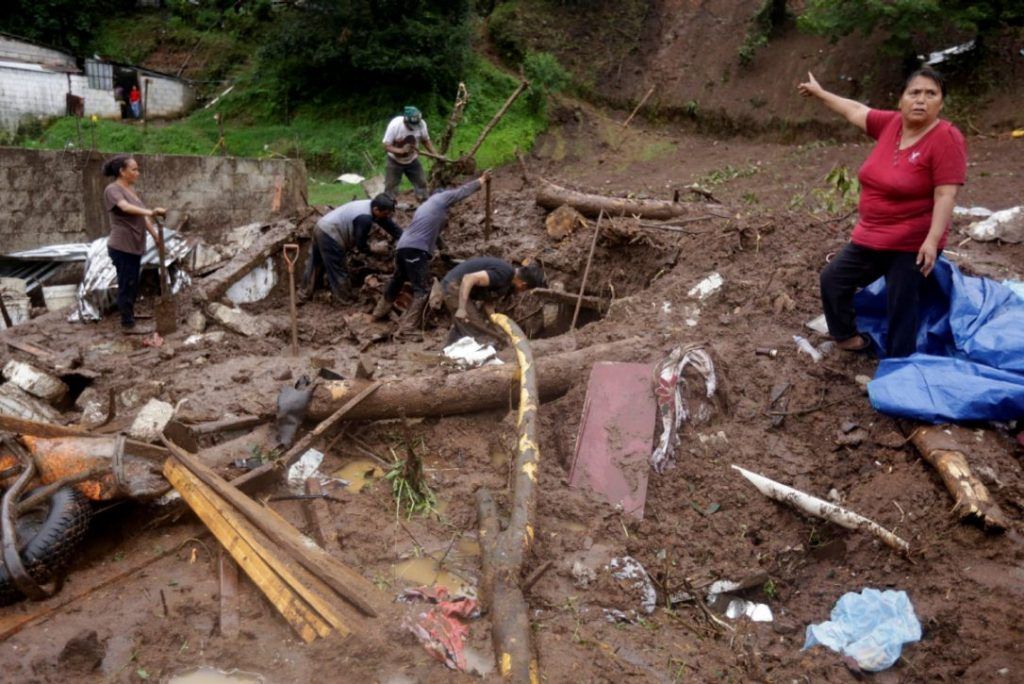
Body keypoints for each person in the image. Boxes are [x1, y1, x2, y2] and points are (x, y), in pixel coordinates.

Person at [797, 68, 966, 358]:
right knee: (833, 279)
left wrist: (932, 240)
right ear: (901, 99)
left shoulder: (946, 138)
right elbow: (855, 110)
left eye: (931, 94)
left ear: (941, 102)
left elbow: (945, 194)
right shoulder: (891, 124)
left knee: (901, 303)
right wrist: (821, 94)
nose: (921, 100)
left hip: (912, 242)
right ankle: (848, 338)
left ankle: (900, 367)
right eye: (914, 93)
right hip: (871, 234)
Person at [372, 171, 491, 338]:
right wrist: (481, 180)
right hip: (415, 250)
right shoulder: (440, 199)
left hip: (403, 247)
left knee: (397, 280)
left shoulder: (426, 209)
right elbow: (460, 193)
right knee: (422, 290)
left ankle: (379, 312)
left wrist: (445, 252)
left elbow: (434, 235)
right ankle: (408, 329)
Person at [102, 155, 166, 330]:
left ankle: (128, 314)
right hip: (122, 245)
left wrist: (155, 235)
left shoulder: (131, 190)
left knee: (132, 283)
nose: (137, 173)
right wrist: (151, 211)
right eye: (134, 169)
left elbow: (141, 216)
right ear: (122, 172)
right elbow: (125, 207)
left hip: (134, 245)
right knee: (127, 283)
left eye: (137, 169)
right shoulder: (112, 190)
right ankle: (127, 323)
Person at [301, 193, 401, 302]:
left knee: (315, 263)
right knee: (338, 268)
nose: (387, 216)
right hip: (330, 234)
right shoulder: (365, 218)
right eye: (386, 213)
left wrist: (404, 237)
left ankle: (304, 293)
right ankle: (345, 298)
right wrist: (374, 250)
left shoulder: (371, 205)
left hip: (321, 226)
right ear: (376, 210)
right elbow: (360, 244)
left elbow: (390, 226)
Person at [441, 257, 546, 345]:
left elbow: (488, 304)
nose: (520, 292)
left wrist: (497, 327)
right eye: (524, 290)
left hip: (457, 287)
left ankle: (446, 353)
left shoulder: (506, 283)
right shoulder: (504, 273)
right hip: (453, 285)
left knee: (468, 324)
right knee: (476, 327)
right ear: (522, 285)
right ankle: (479, 360)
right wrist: (462, 308)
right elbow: (468, 278)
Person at [382, 106, 438, 202]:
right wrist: (400, 151)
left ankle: (423, 202)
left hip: (412, 160)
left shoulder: (422, 124)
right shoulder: (395, 126)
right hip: (394, 161)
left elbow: (426, 141)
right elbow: (386, 146)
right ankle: (389, 207)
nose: (414, 128)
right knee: (391, 187)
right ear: (405, 121)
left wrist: (435, 155)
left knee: (421, 183)